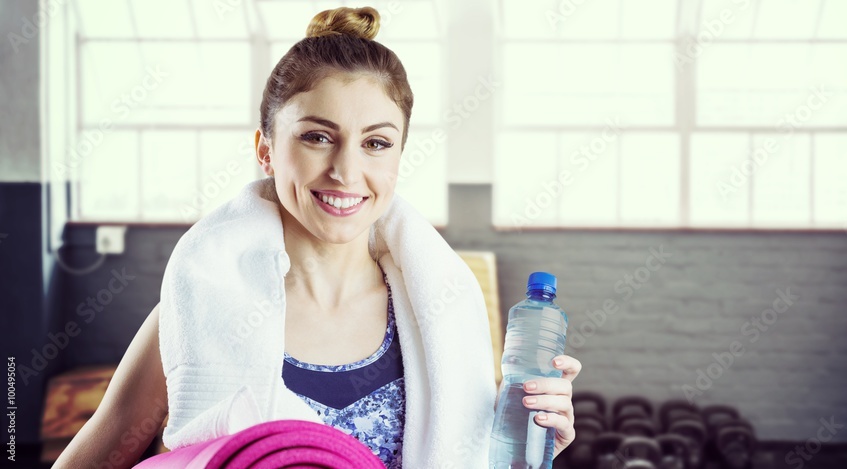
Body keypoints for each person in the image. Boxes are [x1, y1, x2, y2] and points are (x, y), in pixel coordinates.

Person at [54, 6, 581, 468]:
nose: (346, 172)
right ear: (265, 148)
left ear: (399, 156)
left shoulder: (440, 315)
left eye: (376, 143)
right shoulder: (198, 312)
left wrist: (533, 447)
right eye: (316, 137)